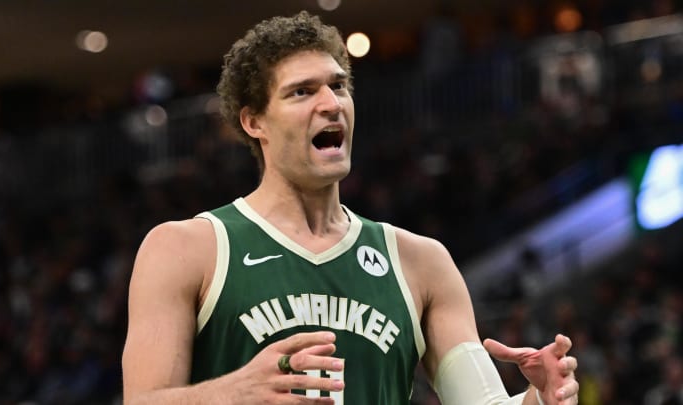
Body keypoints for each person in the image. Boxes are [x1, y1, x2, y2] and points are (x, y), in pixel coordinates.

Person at [122, 11, 579, 405]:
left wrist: (538, 397)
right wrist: (234, 392)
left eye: (338, 86)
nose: (331, 104)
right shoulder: (185, 249)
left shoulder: (421, 262)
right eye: (302, 92)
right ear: (254, 120)